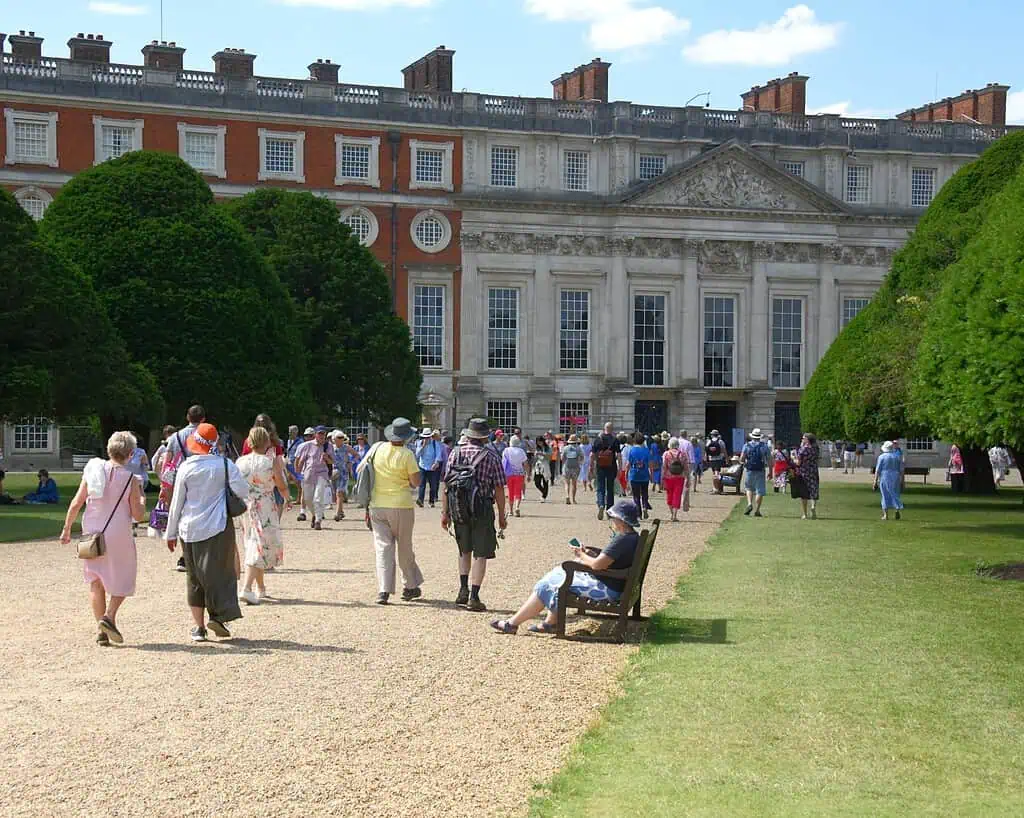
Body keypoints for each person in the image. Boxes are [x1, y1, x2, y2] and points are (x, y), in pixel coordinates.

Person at [489, 499, 641, 635]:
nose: (612, 521)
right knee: (556, 574)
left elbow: (597, 565)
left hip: (609, 590)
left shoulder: (621, 539)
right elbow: (609, 559)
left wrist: (580, 555)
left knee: (547, 584)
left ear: (621, 520)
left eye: (613, 518)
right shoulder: (632, 537)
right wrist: (588, 553)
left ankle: (513, 624)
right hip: (616, 584)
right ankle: (549, 623)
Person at [60, 431, 147, 646]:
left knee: (95, 580)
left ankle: (101, 629)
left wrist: (67, 528)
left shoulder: (93, 471)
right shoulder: (131, 479)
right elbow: (138, 515)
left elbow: (76, 502)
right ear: (130, 453)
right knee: (125, 575)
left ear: (109, 449)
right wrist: (143, 500)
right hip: (118, 532)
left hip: (92, 529)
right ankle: (109, 616)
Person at [165, 423, 249, 643]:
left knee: (194, 577)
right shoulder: (225, 465)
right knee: (220, 573)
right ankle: (218, 616)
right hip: (218, 526)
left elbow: (177, 503)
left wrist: (170, 533)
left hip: (189, 528)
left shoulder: (186, 467)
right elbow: (243, 490)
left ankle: (199, 627)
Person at [441, 418, 507, 612]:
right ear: (485, 437)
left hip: (459, 507)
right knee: (481, 553)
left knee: (464, 550)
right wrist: (502, 515)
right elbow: (499, 488)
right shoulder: (491, 456)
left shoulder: (455, 453)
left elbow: (446, 484)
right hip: (482, 508)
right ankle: (474, 597)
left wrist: (445, 513)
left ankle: (463, 589)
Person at [360, 417, 424, 605]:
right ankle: (410, 585)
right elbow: (416, 482)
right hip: (401, 505)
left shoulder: (377, 449)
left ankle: (384, 590)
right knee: (404, 547)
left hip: (377, 505)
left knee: (383, 548)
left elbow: (362, 469)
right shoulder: (407, 454)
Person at [236, 426, 290, 605]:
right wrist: (287, 497)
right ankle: (246, 588)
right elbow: (280, 483)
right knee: (258, 545)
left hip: (246, 505)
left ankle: (261, 588)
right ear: (266, 441)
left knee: (254, 543)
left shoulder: (240, 461)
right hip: (264, 505)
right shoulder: (269, 462)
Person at [294, 427, 333, 530]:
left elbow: (332, 462)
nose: (321, 436)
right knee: (308, 499)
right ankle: (314, 514)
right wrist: (298, 472)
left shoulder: (328, 446)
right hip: (309, 474)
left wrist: (327, 458)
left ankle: (318, 521)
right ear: (315, 434)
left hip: (322, 474)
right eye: (319, 433)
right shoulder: (308, 445)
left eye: (323, 434)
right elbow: (301, 460)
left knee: (318, 498)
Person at [590, 422, 622, 520]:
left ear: (604, 428)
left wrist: (591, 466)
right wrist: (620, 468)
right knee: (610, 489)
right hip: (611, 466)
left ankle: (601, 504)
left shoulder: (598, 439)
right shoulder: (615, 440)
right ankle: (609, 510)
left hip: (600, 466)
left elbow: (592, 455)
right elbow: (619, 455)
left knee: (600, 488)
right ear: (612, 429)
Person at [740, 428, 771, 517]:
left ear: (752, 436)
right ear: (760, 437)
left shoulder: (746, 445)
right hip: (760, 470)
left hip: (750, 469)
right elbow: (769, 460)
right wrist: (770, 472)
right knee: (760, 491)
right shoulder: (764, 446)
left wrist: (744, 462)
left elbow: (742, 458)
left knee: (749, 488)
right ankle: (757, 510)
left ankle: (749, 503)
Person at [873, 441, 905, 521]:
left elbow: (878, 470)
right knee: (895, 493)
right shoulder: (897, 457)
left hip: (885, 476)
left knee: (885, 494)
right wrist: (902, 481)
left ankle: (886, 515)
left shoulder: (882, 457)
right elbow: (901, 470)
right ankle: (897, 509)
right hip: (895, 476)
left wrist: (875, 481)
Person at [793, 433, 821, 520]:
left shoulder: (803, 449)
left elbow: (798, 463)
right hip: (813, 471)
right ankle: (813, 506)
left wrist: (793, 458)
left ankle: (805, 514)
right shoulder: (816, 449)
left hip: (804, 473)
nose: (802, 440)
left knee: (804, 493)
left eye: (803, 438)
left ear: (807, 440)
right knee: (814, 490)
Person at [414, 427, 444, 508]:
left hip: (432, 467)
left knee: (433, 485)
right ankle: (420, 500)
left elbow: (438, 454)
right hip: (422, 466)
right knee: (422, 484)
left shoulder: (435, 443)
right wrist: (423, 446)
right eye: (425, 437)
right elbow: (417, 454)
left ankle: (431, 501)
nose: (426, 439)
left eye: (428, 437)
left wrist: (436, 462)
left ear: (430, 436)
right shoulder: (420, 443)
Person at [661, 437, 689, 523]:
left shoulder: (666, 454)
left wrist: (662, 478)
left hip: (668, 477)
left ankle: (671, 513)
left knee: (669, 495)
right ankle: (675, 514)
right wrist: (688, 478)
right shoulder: (683, 454)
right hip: (680, 477)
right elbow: (686, 467)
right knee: (677, 495)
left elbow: (664, 467)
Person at [626, 433, 652, 519]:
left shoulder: (632, 450)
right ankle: (645, 506)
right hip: (644, 474)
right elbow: (650, 464)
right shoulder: (646, 450)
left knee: (636, 495)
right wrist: (651, 474)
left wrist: (626, 473)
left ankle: (638, 513)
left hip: (634, 474)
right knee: (645, 493)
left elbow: (628, 464)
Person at [502, 435, 529, 517]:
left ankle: (510, 510)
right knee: (518, 491)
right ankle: (517, 507)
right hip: (519, 473)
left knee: (510, 491)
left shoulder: (506, 450)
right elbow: (525, 463)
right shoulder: (521, 451)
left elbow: (503, 462)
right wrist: (528, 473)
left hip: (509, 474)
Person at [561, 434, 583, 504]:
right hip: (575, 467)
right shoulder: (578, 448)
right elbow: (582, 456)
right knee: (574, 484)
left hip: (567, 466)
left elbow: (562, 458)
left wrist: (564, 463)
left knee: (567, 483)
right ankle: (573, 499)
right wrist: (580, 462)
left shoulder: (565, 448)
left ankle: (567, 496)